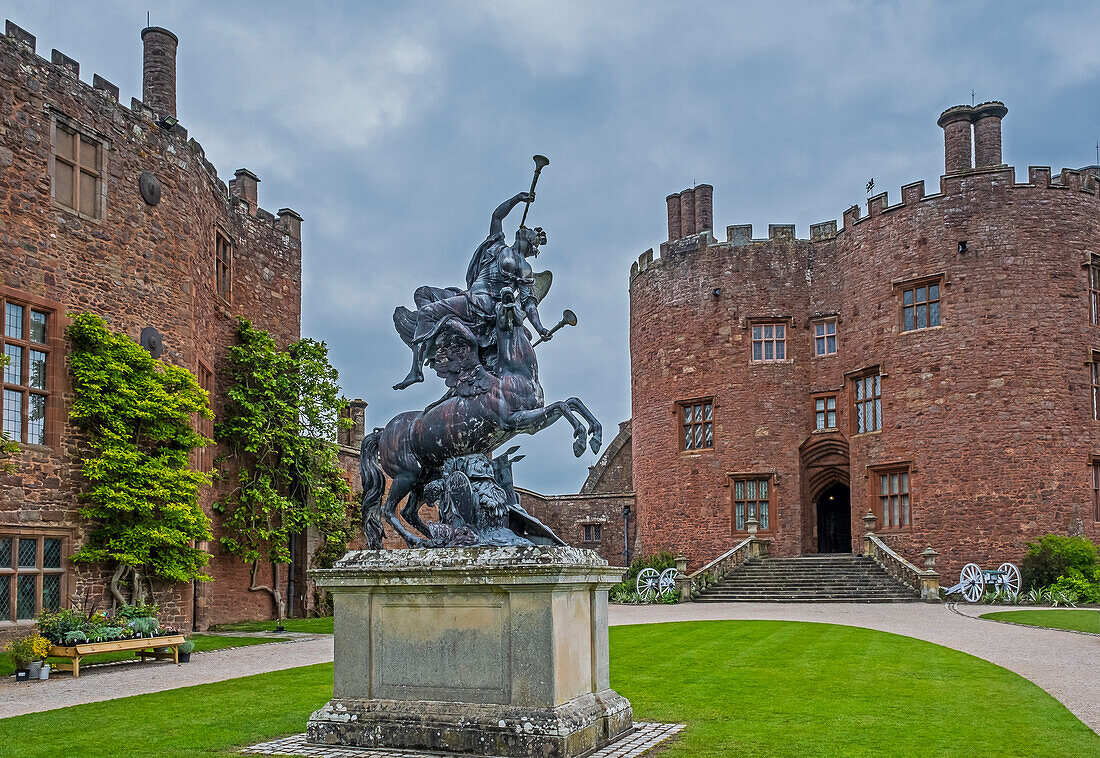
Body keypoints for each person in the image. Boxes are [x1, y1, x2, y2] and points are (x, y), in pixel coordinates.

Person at [393, 191, 553, 390]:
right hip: (468, 296)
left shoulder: (523, 268)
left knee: (427, 312)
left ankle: (416, 371)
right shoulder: (498, 246)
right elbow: (497, 216)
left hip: (481, 304)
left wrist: (540, 328)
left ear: (532, 241)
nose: (525, 228)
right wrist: (517, 199)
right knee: (422, 293)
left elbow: (529, 302)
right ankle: (441, 335)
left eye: (530, 230)